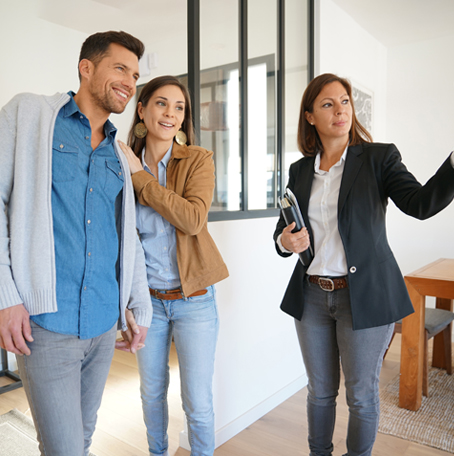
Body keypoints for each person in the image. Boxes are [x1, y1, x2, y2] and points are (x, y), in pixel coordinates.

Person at [273, 73, 454, 456]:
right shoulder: (300, 171)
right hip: (312, 297)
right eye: (327, 104)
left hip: (363, 298)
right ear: (309, 117)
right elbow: (284, 230)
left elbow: (421, 205)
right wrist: (284, 241)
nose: (340, 110)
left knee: (360, 394)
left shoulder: (378, 158)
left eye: (345, 102)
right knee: (320, 392)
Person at [0, 31, 152, 456]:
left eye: (135, 75)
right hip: (46, 323)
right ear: (86, 68)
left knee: (80, 440)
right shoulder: (29, 115)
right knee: (64, 448)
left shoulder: (119, 155)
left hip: (104, 323)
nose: (129, 82)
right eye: (120, 68)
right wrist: (5, 296)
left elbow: (127, 238)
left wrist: (136, 302)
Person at [116, 75, 229, 456]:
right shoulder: (119, 164)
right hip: (146, 301)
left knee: (197, 402)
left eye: (179, 107)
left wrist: (141, 178)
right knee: (150, 395)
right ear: (142, 109)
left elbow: (193, 219)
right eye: (162, 103)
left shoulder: (198, 159)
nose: (171, 114)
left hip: (194, 298)